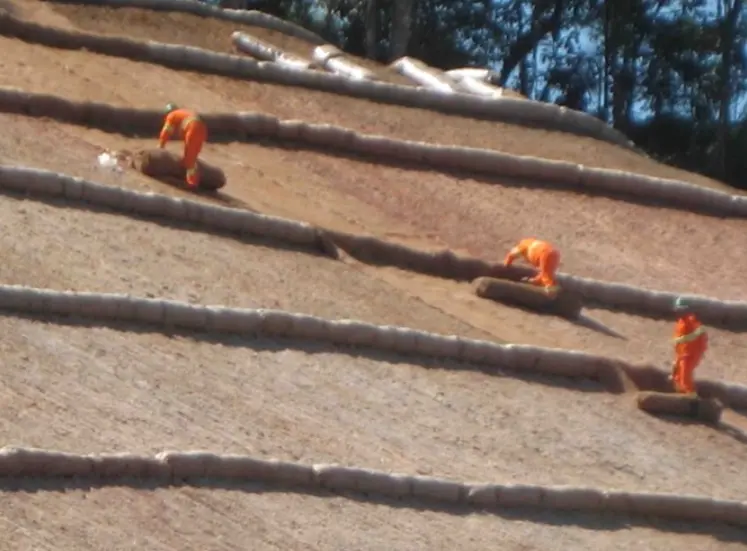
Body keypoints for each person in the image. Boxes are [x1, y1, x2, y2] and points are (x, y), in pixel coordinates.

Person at [158, 103, 208, 190]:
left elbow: (166, 131)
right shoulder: (182, 113)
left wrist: (161, 146)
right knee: (192, 157)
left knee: (189, 159)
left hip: (193, 128)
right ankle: (192, 180)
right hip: (202, 129)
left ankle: (192, 183)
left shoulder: (172, 115)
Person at [669, 297, 708, 396]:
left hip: (690, 354)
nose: (678, 312)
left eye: (680, 309)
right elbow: (678, 340)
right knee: (676, 377)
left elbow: (697, 335)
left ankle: (693, 401)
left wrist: (680, 340)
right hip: (682, 354)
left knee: (685, 379)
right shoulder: (680, 323)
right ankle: (681, 395)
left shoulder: (692, 322)